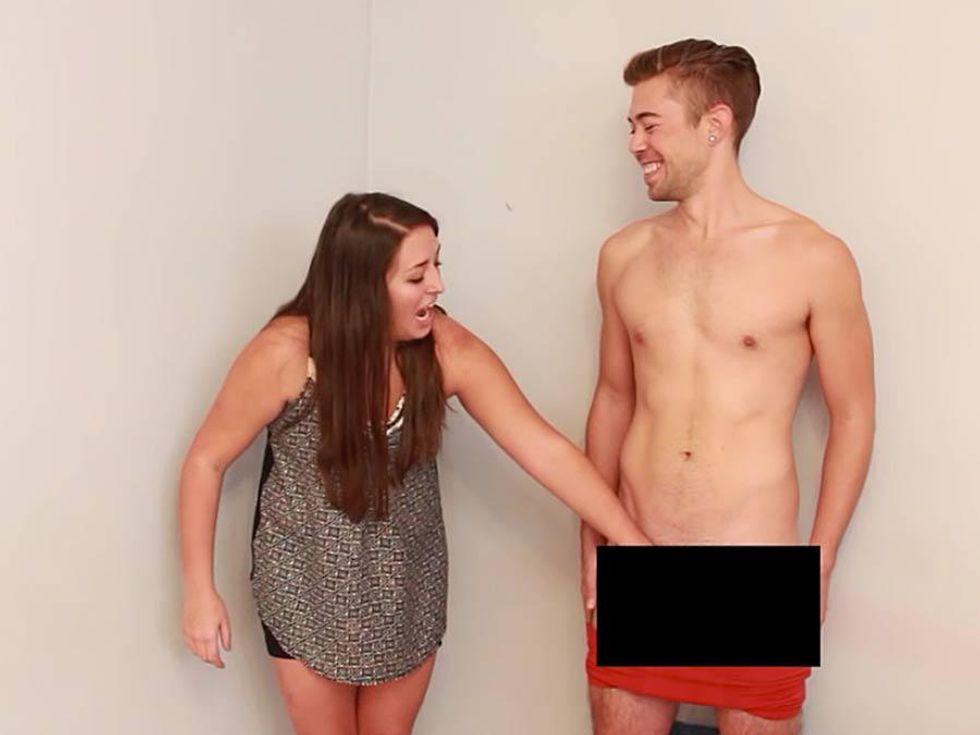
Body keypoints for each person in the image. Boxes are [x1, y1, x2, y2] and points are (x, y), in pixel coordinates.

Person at [178, 192, 649, 735]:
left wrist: (630, 541)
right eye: (417, 275)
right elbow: (205, 461)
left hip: (406, 585)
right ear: (364, 286)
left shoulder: (445, 348)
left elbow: (543, 448)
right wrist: (198, 590)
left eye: (437, 266)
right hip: (305, 585)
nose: (438, 286)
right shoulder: (284, 353)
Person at [580, 39, 875, 735]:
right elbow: (613, 399)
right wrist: (592, 542)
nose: (634, 143)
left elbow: (853, 414)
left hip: (756, 572)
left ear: (715, 124)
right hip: (639, 554)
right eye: (631, 126)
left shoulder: (814, 257)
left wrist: (820, 562)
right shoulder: (623, 256)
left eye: (649, 124)